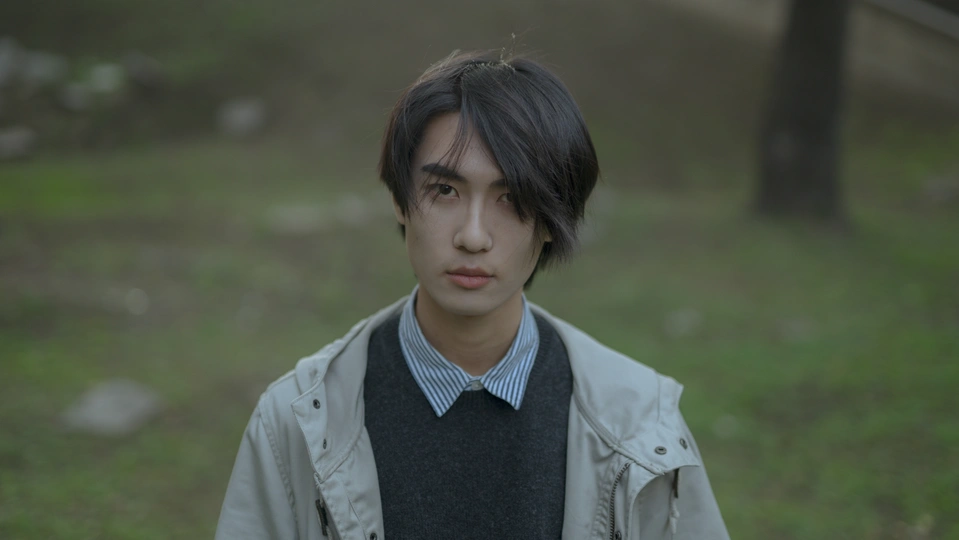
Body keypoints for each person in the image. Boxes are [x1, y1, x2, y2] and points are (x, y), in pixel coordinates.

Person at [215, 50, 729, 540]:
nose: (474, 236)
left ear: (553, 220)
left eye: (513, 197)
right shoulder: (298, 421)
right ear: (399, 199)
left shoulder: (642, 423)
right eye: (445, 191)